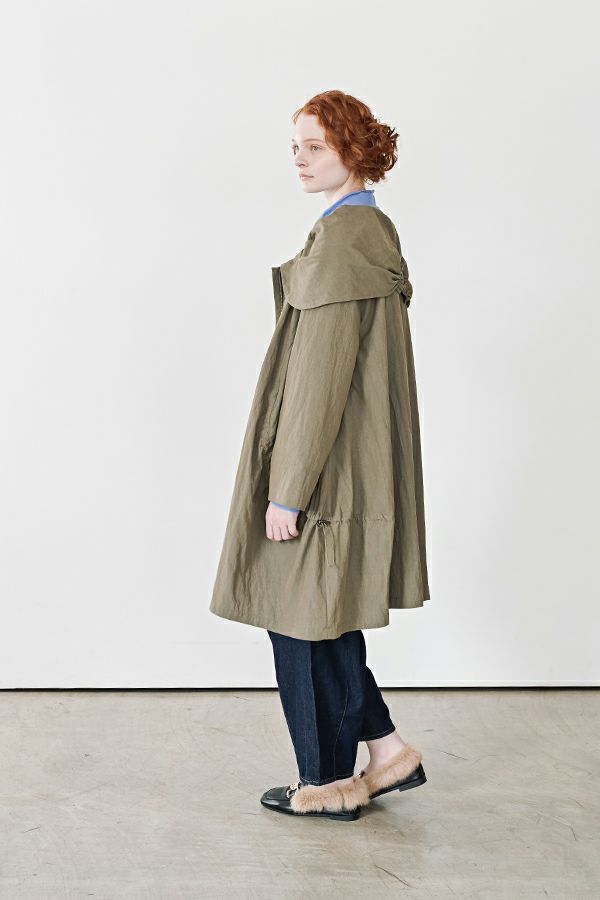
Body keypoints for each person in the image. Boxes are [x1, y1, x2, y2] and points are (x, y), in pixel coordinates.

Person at [210, 90, 430, 821]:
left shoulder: (340, 245)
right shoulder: (370, 231)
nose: (300, 160)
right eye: (295, 147)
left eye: (316, 147)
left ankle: (327, 781)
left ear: (352, 151)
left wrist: (288, 491)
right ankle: (387, 751)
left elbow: (318, 383)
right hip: (354, 470)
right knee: (325, 615)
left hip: (326, 474)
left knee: (300, 619)